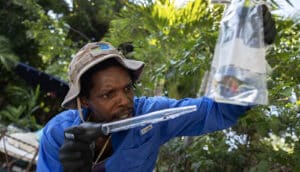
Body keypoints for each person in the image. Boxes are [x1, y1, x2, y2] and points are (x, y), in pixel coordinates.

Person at [37, 5, 276, 172]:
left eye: (128, 89)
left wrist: (249, 54)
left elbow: (219, 111)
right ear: (85, 101)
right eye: (108, 94)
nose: (124, 100)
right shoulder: (59, 135)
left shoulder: (152, 116)